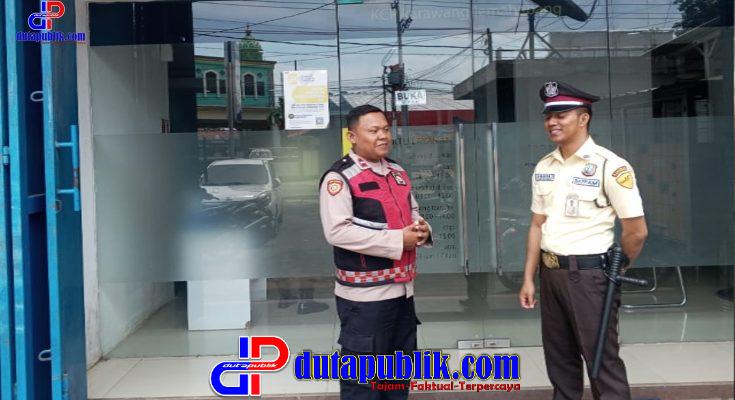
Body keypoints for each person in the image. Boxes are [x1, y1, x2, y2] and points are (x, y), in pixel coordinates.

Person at [518, 81, 648, 400]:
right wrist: (529, 278)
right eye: (548, 116)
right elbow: (537, 225)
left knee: (601, 360)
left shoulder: (610, 166)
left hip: (590, 276)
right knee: (559, 361)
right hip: (551, 274)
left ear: (583, 118)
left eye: (561, 115)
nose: (552, 122)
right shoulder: (544, 166)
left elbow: (636, 230)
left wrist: (615, 269)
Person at [319, 104, 431, 400]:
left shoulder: (397, 171)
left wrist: (422, 230)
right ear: (352, 136)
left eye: (385, 129)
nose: (383, 136)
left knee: (397, 378)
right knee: (363, 384)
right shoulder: (339, 177)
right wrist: (398, 240)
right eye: (373, 130)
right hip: (364, 301)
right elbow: (337, 231)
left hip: (402, 293)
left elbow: (413, 212)